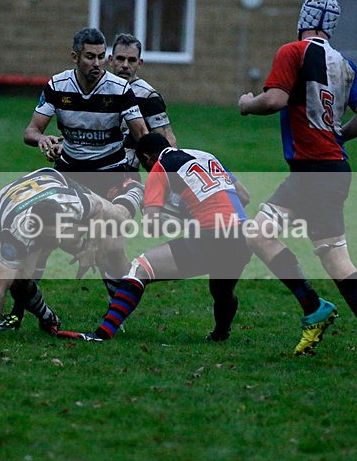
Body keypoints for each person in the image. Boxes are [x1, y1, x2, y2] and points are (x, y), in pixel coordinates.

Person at [237, 0, 357, 371]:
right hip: (332, 171)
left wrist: (247, 104)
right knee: (328, 254)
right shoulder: (344, 64)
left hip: (312, 172)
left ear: (302, 21)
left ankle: (319, 310)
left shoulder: (293, 51)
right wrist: (338, 136)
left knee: (261, 235)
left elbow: (275, 100)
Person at [57, 132, 252, 342]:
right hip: (243, 238)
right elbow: (244, 196)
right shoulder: (206, 156)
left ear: (147, 158)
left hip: (212, 238)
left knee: (138, 269)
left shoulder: (159, 169)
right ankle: (220, 335)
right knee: (222, 291)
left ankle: (101, 334)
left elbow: (152, 227)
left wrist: (171, 212)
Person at [0, 167, 142, 342]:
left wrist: (91, 249)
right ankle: (48, 318)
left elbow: (97, 210)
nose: (56, 243)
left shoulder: (71, 203)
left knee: (118, 221)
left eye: (59, 233)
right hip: (11, 196)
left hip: (54, 181)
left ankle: (134, 190)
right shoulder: (15, 234)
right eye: (51, 238)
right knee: (18, 283)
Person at [23, 27, 149, 198]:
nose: (97, 63)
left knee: (107, 223)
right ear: (75, 57)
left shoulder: (120, 89)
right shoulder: (57, 86)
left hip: (110, 171)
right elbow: (31, 132)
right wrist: (42, 138)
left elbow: (142, 134)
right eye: (90, 57)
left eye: (101, 56)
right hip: (69, 170)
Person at [108, 33, 177, 172]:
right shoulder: (100, 88)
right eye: (120, 59)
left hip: (125, 172)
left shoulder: (148, 97)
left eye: (131, 60)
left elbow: (167, 141)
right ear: (110, 60)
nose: (125, 65)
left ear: (139, 63)